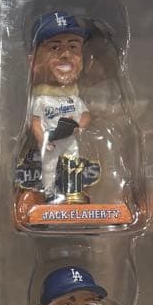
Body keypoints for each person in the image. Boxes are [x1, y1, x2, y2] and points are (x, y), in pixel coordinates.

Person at [27, 12, 92, 202]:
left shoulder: (73, 99)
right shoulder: (41, 99)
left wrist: (79, 126)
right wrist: (43, 140)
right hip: (51, 140)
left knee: (73, 162)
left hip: (69, 138)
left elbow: (86, 115)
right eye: (54, 47)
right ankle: (49, 193)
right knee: (49, 166)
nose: (65, 55)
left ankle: (72, 191)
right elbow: (35, 123)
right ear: (33, 60)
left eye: (73, 47)